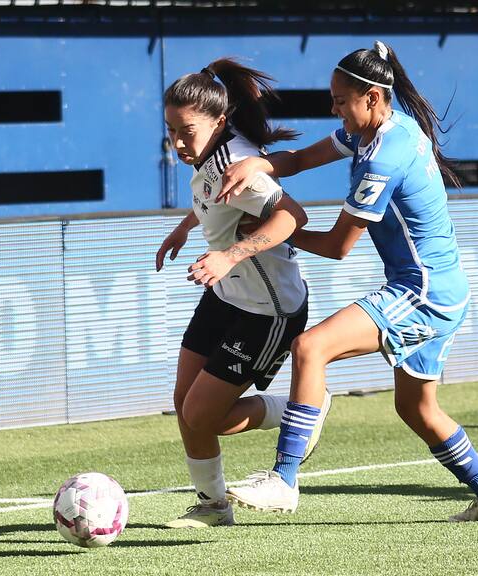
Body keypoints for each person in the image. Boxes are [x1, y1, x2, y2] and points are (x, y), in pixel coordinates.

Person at [222, 42, 478, 522]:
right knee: (417, 410)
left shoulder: (383, 157)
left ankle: (283, 479)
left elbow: (341, 247)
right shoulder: (382, 128)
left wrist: (272, 235)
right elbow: (299, 160)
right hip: (443, 287)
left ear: (371, 97)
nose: (334, 108)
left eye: (341, 100)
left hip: (421, 294)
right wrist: (258, 163)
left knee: (310, 348)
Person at [156, 58, 332, 528]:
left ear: (218, 121)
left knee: (202, 417)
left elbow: (294, 217)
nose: (176, 142)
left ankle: (303, 410)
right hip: (229, 294)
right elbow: (215, 199)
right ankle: (214, 506)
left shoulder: (240, 164)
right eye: (170, 129)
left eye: (185, 131)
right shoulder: (209, 155)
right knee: (184, 404)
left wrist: (228, 256)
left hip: (268, 310)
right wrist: (185, 226)